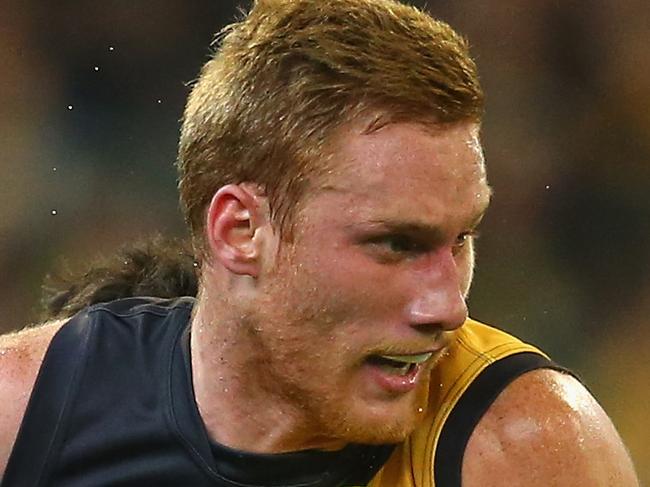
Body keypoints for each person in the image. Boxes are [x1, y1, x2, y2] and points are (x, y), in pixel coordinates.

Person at [0, 0, 639, 485]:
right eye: (395, 244)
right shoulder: (25, 414)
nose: (448, 307)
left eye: (461, 238)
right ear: (241, 233)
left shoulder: (529, 447)